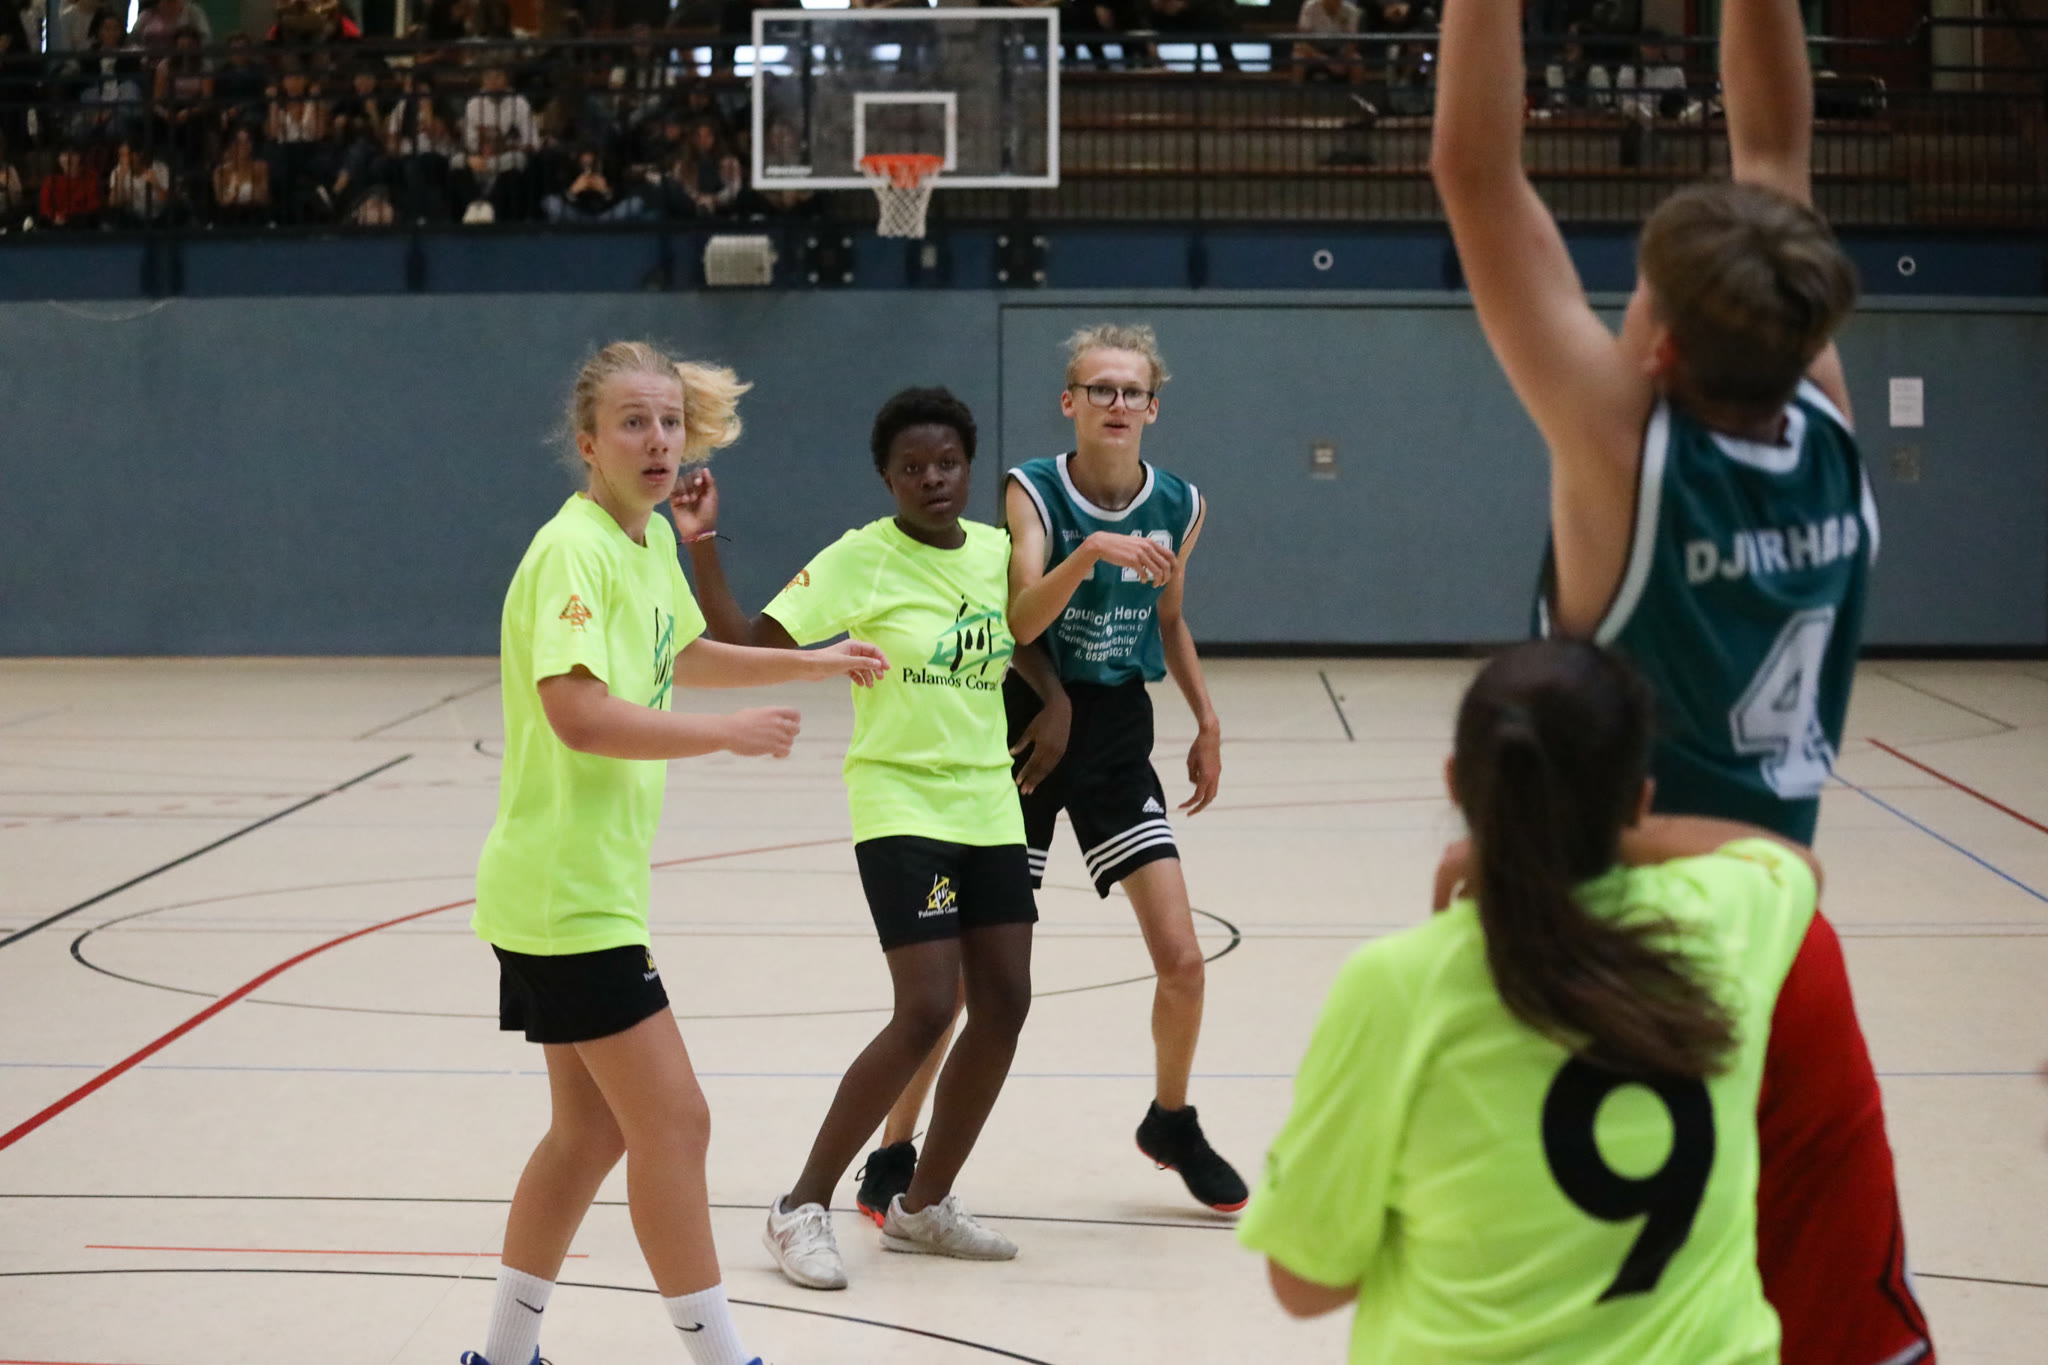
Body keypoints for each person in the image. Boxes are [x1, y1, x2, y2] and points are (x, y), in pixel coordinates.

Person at [1430, 3, 1932, 1362]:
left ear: (1654, 347)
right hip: (1778, 938)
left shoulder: (1624, 450)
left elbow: (1474, 173)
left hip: (1611, 951)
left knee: (1617, 1322)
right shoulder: (1823, 420)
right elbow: (1771, 146)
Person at [1241, 638, 1846, 1361]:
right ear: (1640, 798)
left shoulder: (1401, 984)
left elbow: (1305, 1284)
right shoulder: (1719, 921)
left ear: (1456, 784)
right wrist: (1619, 834)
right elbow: (1791, 861)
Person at [463, 341, 887, 1365]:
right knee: (675, 1123)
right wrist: (723, 734)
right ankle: (721, 1357)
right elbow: (575, 712)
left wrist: (812, 664)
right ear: (587, 443)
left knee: (588, 1134)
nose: (658, 441)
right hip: (565, 896)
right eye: (633, 423)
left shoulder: (647, 538)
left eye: (668, 422)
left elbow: (677, 651)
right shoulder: (571, 552)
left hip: (588, 886)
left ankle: (502, 1357)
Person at [676, 387, 1070, 1288]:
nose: (933, 479)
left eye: (948, 463)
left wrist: (1056, 699)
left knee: (1006, 1000)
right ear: (887, 478)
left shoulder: (995, 552)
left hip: (988, 802)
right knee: (927, 1007)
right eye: (912, 467)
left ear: (969, 467)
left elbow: (1014, 633)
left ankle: (923, 1206)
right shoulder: (862, 558)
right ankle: (799, 1204)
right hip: (901, 804)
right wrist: (701, 543)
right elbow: (750, 639)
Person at [860, 324, 1244, 1217]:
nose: (1117, 403)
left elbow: (1171, 618)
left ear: (1153, 407)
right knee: (960, 984)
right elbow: (1022, 619)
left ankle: (1171, 1120)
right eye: (1099, 388)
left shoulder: (1181, 504)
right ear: (1070, 402)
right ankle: (893, 1148)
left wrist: (1207, 717)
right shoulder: (1032, 490)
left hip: (1115, 735)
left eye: (1132, 391)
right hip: (1026, 727)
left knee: (1184, 960)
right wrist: (1094, 550)